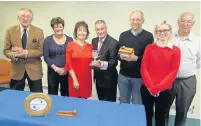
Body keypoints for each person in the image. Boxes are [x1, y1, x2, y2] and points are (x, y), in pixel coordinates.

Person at [141, 21, 181, 126]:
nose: (162, 33)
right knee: (146, 117)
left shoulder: (176, 50)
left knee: (160, 118)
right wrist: (151, 87)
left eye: (165, 30)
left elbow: (173, 71)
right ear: (156, 32)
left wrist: (158, 88)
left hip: (164, 91)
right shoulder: (149, 48)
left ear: (170, 32)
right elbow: (144, 68)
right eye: (159, 30)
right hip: (147, 88)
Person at [165, 12, 200, 126]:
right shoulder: (169, 37)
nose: (185, 24)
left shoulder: (197, 41)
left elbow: (199, 61)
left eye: (189, 21)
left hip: (187, 81)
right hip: (168, 79)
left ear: (193, 24)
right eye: (183, 21)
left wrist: (186, 69)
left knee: (182, 111)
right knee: (164, 108)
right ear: (178, 22)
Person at [3, 8, 44, 92]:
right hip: (16, 70)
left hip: (34, 70)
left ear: (32, 18)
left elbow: (41, 51)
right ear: (18, 17)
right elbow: (6, 50)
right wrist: (14, 55)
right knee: (15, 97)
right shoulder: (10, 31)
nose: (26, 19)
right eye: (23, 16)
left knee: (37, 97)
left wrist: (25, 52)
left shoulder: (39, 32)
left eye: (28, 17)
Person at [117, 10, 154, 104]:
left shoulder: (148, 36)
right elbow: (117, 55)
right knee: (123, 102)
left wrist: (136, 58)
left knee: (138, 103)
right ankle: (125, 119)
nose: (135, 22)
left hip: (139, 77)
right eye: (133, 19)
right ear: (129, 20)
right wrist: (120, 56)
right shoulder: (123, 35)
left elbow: (149, 58)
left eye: (138, 19)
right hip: (123, 76)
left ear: (143, 21)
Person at [43, 17, 73, 96]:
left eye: (60, 26)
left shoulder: (70, 40)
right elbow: (46, 57)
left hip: (66, 71)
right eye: (55, 27)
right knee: (52, 94)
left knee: (66, 94)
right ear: (53, 28)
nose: (58, 29)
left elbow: (71, 57)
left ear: (63, 27)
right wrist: (56, 69)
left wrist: (66, 69)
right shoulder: (48, 40)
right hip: (52, 71)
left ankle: (66, 108)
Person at [91, 20, 119, 102]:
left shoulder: (114, 42)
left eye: (102, 29)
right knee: (101, 101)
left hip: (109, 80)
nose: (100, 31)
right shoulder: (94, 41)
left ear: (106, 28)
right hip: (98, 78)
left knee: (110, 104)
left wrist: (102, 64)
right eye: (98, 29)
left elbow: (114, 62)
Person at [65, 21, 93, 99]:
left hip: (86, 79)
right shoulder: (70, 45)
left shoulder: (90, 47)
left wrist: (97, 63)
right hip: (74, 78)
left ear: (87, 33)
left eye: (84, 30)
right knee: (74, 102)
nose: (82, 32)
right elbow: (68, 64)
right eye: (80, 30)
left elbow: (91, 64)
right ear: (76, 32)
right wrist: (75, 80)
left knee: (84, 102)